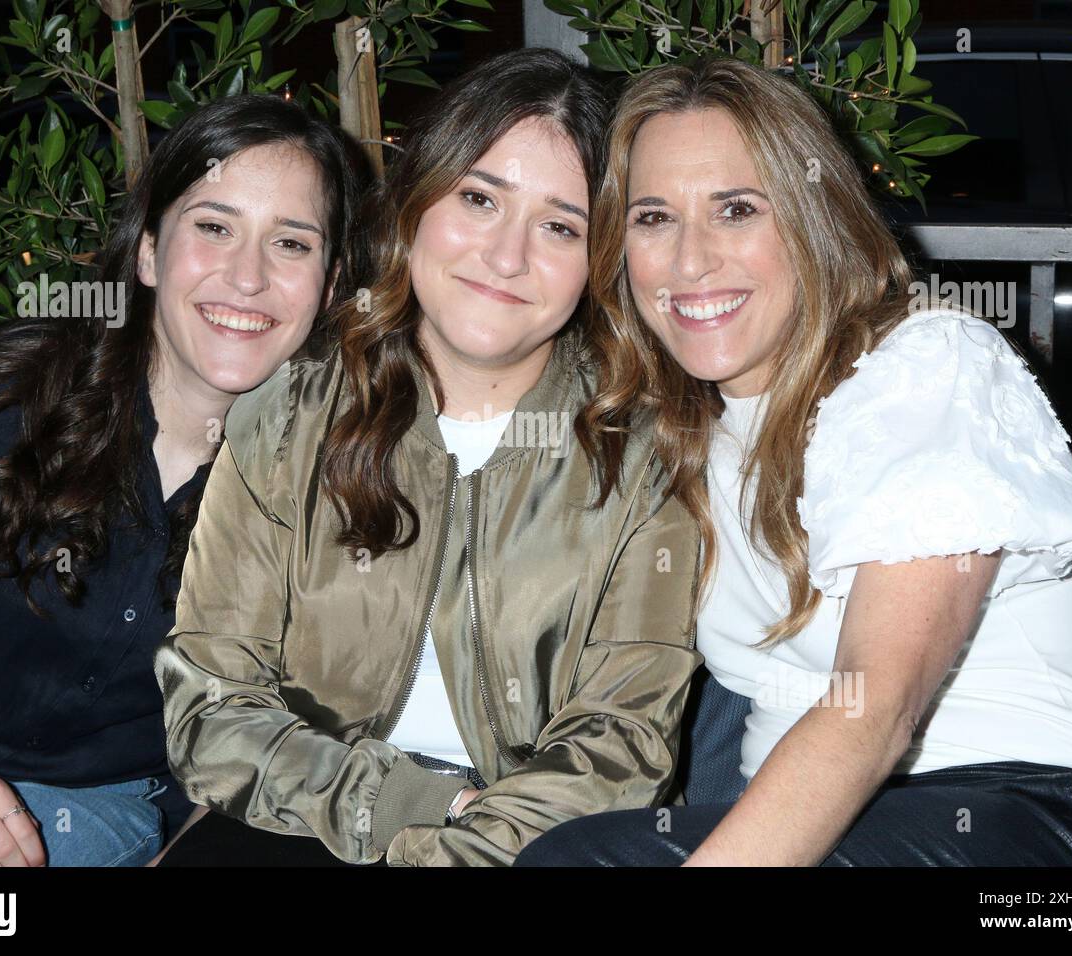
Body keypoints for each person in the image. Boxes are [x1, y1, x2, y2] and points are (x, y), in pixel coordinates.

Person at [515, 55, 1072, 867]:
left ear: (812, 220)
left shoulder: (924, 367)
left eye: (736, 209)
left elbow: (876, 708)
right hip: (804, 826)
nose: (689, 260)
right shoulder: (682, 432)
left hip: (1032, 830)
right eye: (653, 218)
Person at [153, 48, 703, 868]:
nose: (507, 256)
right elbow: (212, 707)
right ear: (415, 206)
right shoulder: (290, 415)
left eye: (560, 225)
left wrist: (456, 852)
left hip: (538, 845)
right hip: (293, 821)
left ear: (600, 260)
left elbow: (620, 745)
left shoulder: (645, 449)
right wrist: (417, 805)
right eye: (479, 198)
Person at [0, 93, 369, 866]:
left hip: (84, 817)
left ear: (330, 285)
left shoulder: (326, 492)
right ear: (147, 252)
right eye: (213, 226)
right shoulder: (12, 396)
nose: (247, 276)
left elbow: (270, 740)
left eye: (292, 244)